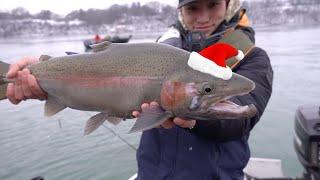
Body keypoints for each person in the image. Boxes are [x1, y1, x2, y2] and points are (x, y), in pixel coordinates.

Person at [6, 0, 273, 179]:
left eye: (212, 4)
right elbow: (97, 74)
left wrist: (191, 115)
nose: (202, 17)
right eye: (192, 8)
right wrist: (41, 73)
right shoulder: (161, 49)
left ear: (228, 5)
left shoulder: (252, 58)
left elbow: (243, 117)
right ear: (182, 12)